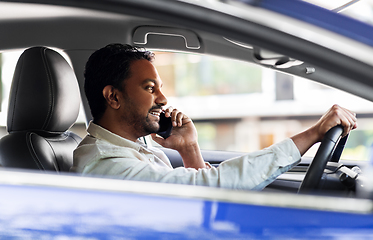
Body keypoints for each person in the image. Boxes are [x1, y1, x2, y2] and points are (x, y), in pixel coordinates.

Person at [71, 43, 357, 190]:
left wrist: (189, 149)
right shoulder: (106, 165)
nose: (162, 99)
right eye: (149, 88)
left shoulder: (130, 149)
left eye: (159, 87)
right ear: (113, 97)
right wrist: (312, 134)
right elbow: (212, 187)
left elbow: (198, 199)